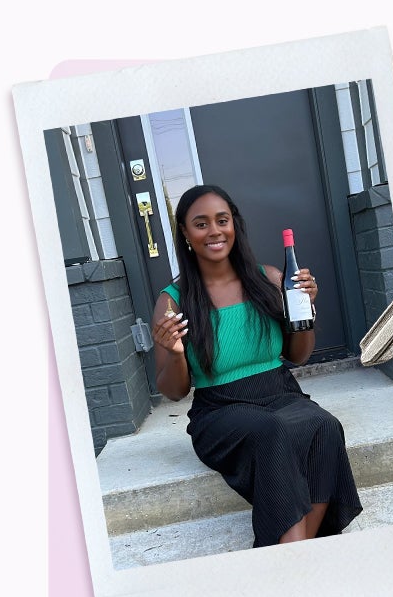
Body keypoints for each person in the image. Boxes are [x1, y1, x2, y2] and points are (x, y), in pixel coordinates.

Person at [151, 185, 362, 547]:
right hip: (220, 409)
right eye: (201, 224)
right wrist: (173, 352)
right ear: (185, 234)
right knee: (271, 431)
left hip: (280, 392)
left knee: (325, 426)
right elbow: (174, 392)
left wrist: (305, 312)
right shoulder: (173, 302)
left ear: (235, 224)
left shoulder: (269, 279)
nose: (215, 231)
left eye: (222, 220)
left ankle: (291, 555)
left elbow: (298, 356)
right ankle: (294, 557)